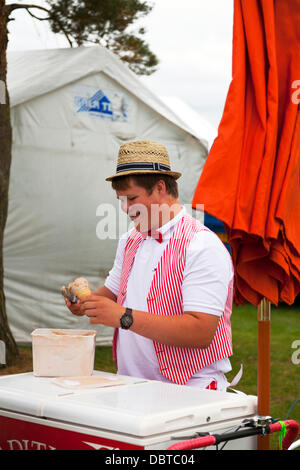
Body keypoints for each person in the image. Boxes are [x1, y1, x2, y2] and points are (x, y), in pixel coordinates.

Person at [66, 140, 234, 391]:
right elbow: (113, 292)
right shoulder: (130, 240)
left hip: (189, 390)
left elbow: (201, 331)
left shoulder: (202, 244)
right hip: (131, 385)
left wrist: (124, 317)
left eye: (132, 198)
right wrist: (84, 304)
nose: (125, 208)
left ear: (160, 188)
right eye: (120, 200)